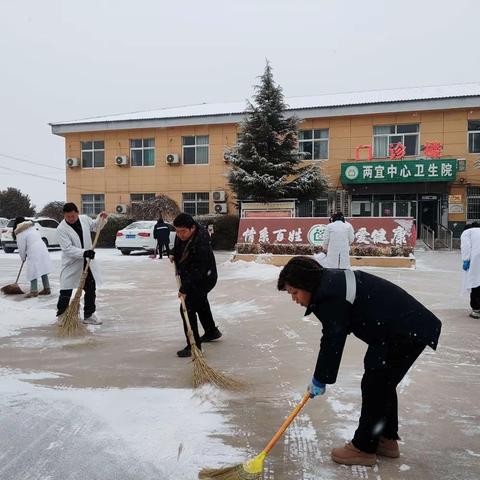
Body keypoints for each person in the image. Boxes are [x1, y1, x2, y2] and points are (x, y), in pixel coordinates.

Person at [277, 256, 441, 466]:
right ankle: (386, 439)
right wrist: (321, 377)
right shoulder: (328, 285)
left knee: (376, 382)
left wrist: (320, 378)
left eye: (294, 292)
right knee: (381, 381)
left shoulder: (329, 294)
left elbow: (333, 339)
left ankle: (363, 448)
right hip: (402, 328)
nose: (295, 299)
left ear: (306, 284)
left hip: (404, 329)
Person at [170, 212, 222, 357]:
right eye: (177, 231)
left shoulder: (201, 243)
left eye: (183, 232)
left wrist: (184, 289)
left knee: (187, 306)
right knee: (201, 302)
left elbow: (198, 271)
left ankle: (194, 346)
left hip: (204, 277)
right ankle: (211, 331)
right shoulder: (182, 234)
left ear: (192, 228)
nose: (180, 235)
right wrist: (173, 252)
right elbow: (179, 247)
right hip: (191, 274)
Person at [56, 202, 108, 325]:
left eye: (73, 216)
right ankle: (62, 315)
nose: (71, 219)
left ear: (77, 213)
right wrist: (84, 252)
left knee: (90, 288)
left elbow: (96, 227)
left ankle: (89, 315)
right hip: (71, 263)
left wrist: (101, 218)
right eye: (68, 217)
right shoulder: (61, 229)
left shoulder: (84, 219)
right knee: (66, 290)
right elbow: (67, 249)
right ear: (64, 215)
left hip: (87, 262)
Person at [13, 217, 52, 298]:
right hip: (42, 248)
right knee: (43, 267)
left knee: (32, 270)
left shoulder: (20, 232)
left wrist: (23, 257)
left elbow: (21, 247)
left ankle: (34, 291)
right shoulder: (31, 227)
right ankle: (47, 288)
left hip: (34, 250)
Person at [460, 222, 480, 318]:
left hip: (476, 261)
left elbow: (466, 247)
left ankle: (476, 310)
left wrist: (466, 260)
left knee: (475, 283)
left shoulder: (467, 233)